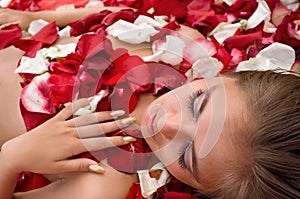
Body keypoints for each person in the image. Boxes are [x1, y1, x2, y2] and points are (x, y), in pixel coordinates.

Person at [0, 7, 300, 199]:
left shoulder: (104, 182)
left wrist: (11, 159)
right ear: (229, 76)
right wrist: (36, 19)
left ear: (202, 189)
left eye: (185, 156)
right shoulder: (184, 45)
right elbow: (118, 14)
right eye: (198, 104)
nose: (166, 122)